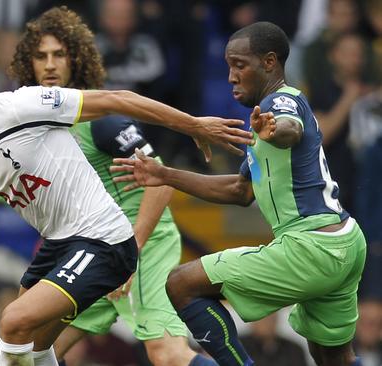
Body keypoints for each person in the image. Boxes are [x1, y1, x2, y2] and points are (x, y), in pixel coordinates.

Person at [0, 33, 261, 366]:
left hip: (105, 239)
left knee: (13, 322)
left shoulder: (25, 105)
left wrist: (193, 125)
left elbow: (119, 101)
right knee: (37, 348)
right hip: (61, 246)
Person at [112, 22, 367, 366]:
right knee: (331, 357)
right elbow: (240, 189)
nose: (231, 76)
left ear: (270, 63)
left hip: (312, 247)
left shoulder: (279, 104)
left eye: (240, 65)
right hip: (343, 241)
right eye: (229, 66)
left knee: (181, 283)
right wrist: (164, 174)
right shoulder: (263, 116)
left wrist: (275, 131)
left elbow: (290, 130)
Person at [9, 7, 215, 366]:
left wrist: (129, 251)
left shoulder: (101, 120)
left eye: (60, 54)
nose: (51, 65)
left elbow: (162, 183)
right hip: (90, 249)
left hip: (139, 243)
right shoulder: (32, 129)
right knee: (34, 349)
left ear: (77, 59)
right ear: (28, 65)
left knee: (167, 355)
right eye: (41, 56)